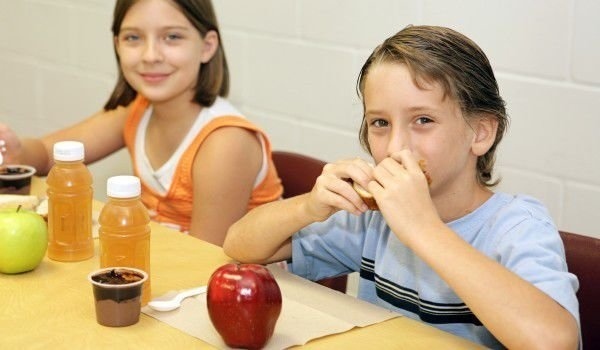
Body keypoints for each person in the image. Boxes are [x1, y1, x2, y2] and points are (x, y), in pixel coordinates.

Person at [223, 25, 580, 349]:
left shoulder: (516, 226)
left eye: (423, 120)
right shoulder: (374, 218)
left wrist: (423, 229)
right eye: (380, 123)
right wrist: (307, 208)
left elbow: (554, 342)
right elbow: (239, 247)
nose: (394, 147)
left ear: (481, 132)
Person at [0, 0, 282, 246]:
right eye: (133, 38)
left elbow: (206, 259)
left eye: (172, 37)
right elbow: (50, 155)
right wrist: (14, 152)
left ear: (207, 47)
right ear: (117, 45)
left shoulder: (225, 142)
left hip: (237, 290)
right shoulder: (136, 110)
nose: (150, 55)